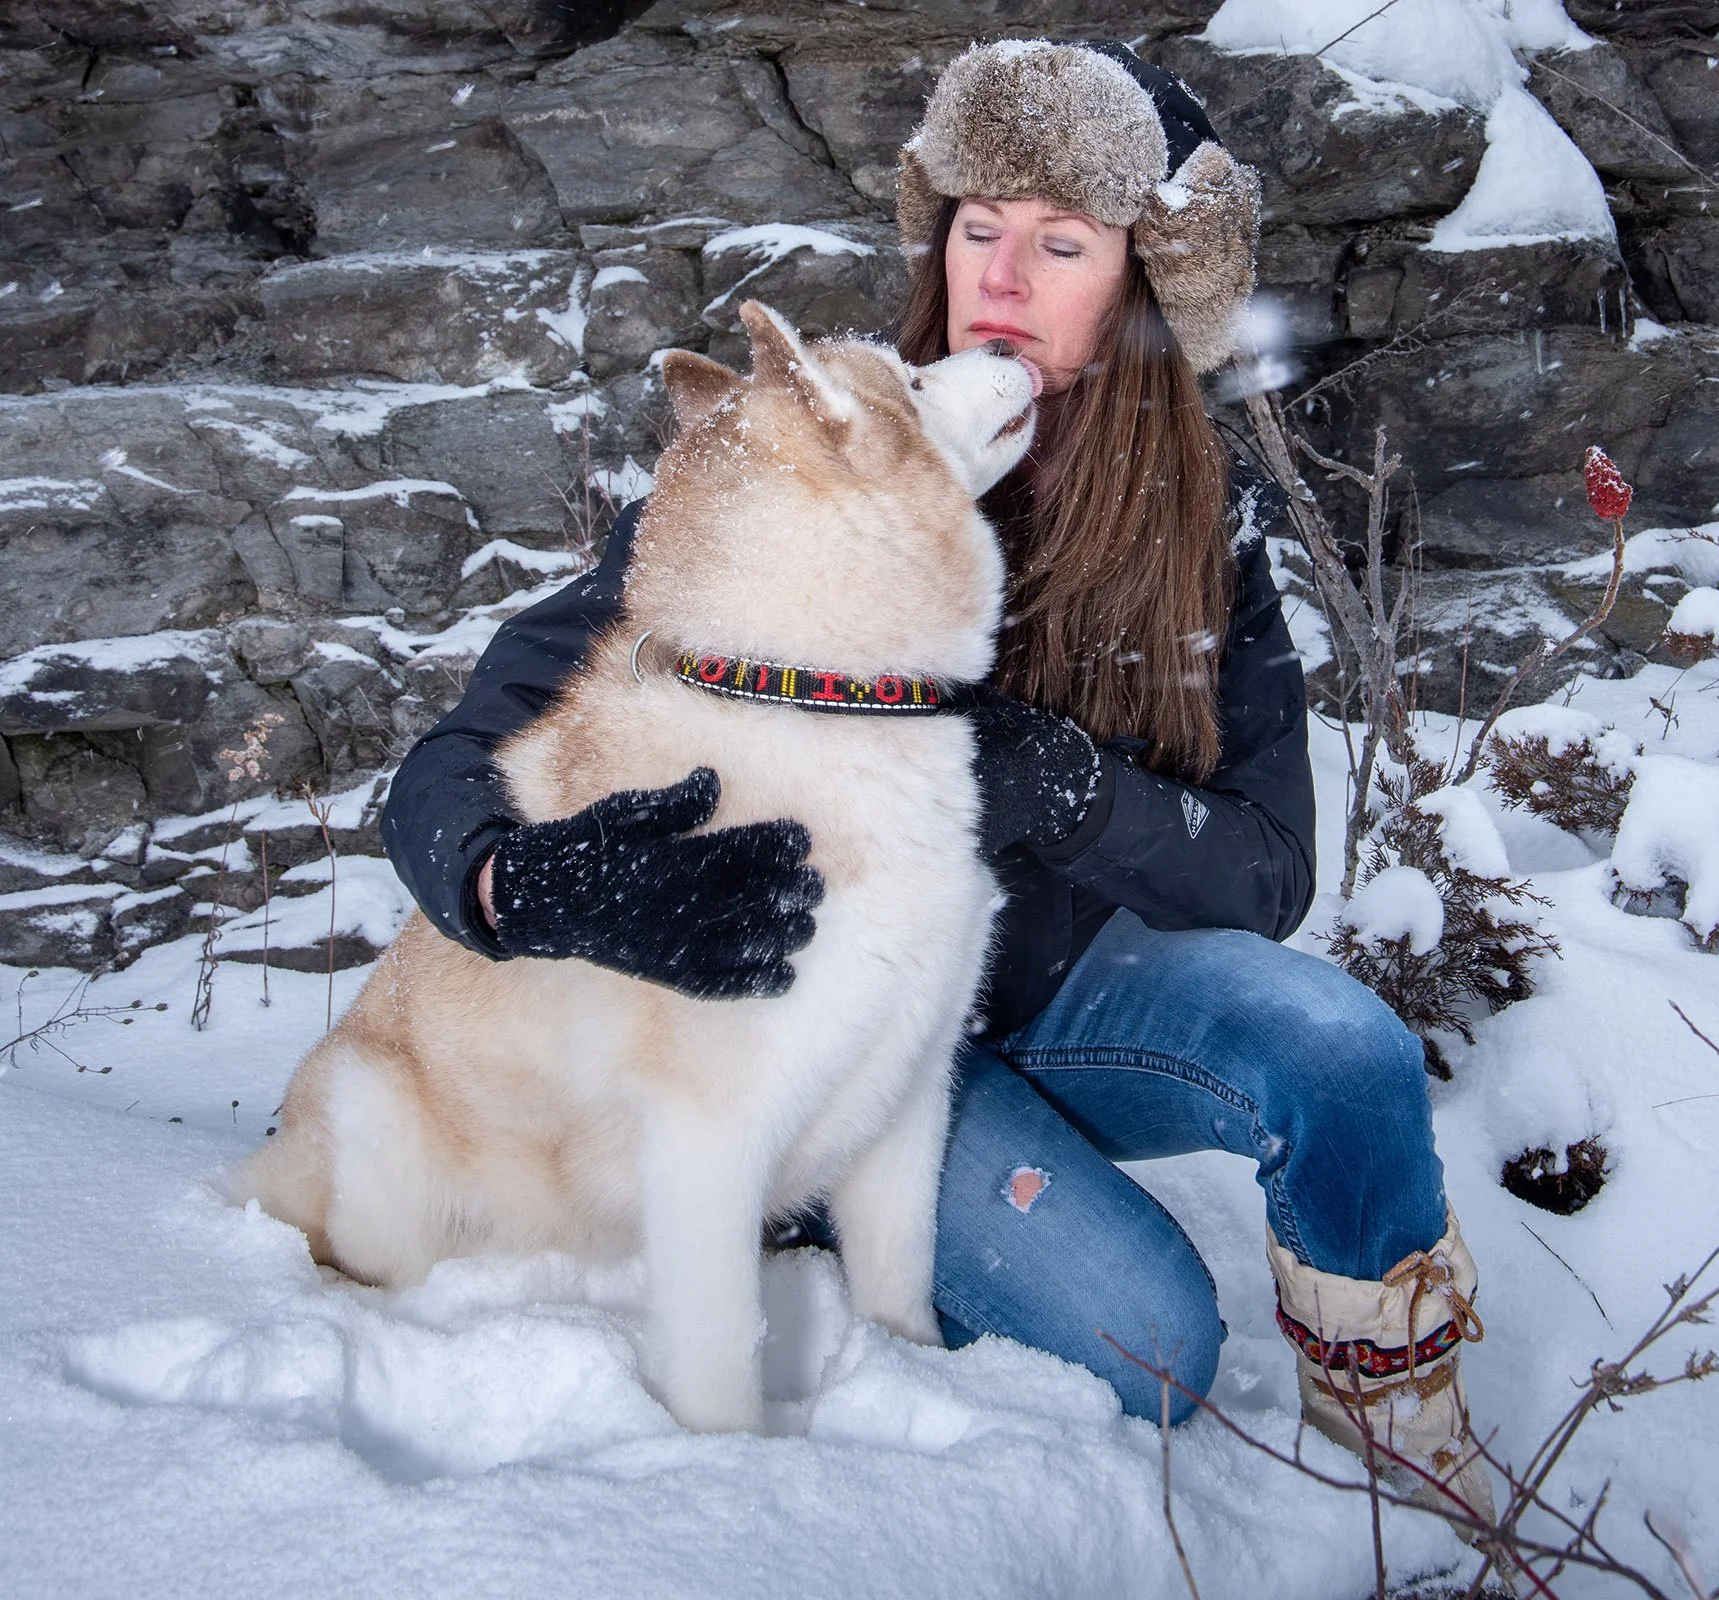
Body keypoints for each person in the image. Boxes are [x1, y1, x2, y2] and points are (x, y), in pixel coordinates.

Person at [381, 39, 1495, 1527]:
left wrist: (1069, 788)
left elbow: (1268, 876)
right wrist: (517, 882)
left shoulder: (1200, 527)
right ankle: (805, 1206)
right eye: (981, 228)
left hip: (1069, 991)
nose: (1004, 281)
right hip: (852, 1038)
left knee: (1344, 1056)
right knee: (1154, 1347)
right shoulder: (801, 453)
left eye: (1061, 243)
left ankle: (1405, 1467)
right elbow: (459, 753)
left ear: (1142, 281)